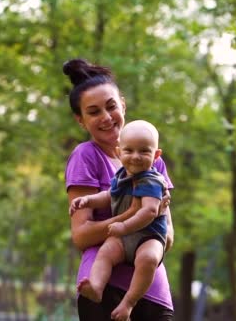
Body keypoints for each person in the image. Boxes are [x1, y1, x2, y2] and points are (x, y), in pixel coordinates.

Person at [63, 58, 174, 320]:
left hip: (153, 289)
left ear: (122, 105)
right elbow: (81, 235)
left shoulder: (154, 160)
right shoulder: (85, 156)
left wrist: (149, 241)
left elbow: (168, 234)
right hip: (105, 287)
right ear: (80, 120)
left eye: (111, 106)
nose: (106, 117)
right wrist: (130, 217)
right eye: (93, 112)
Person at [69, 120, 168, 321]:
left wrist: (123, 226)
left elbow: (149, 211)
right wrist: (88, 200)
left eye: (144, 152)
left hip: (147, 236)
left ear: (156, 155)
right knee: (105, 253)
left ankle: (129, 302)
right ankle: (96, 286)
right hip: (124, 237)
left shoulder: (151, 180)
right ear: (119, 152)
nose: (136, 157)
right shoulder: (122, 175)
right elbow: (108, 196)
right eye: (129, 150)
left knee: (148, 259)